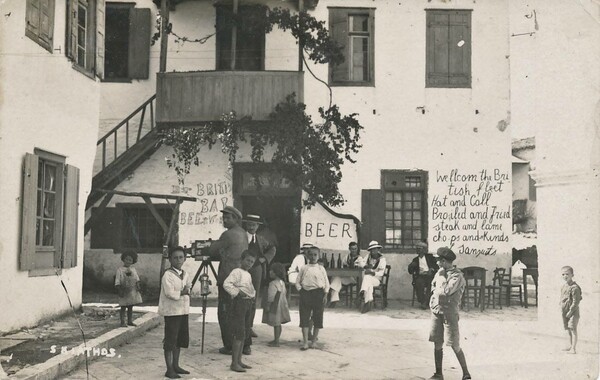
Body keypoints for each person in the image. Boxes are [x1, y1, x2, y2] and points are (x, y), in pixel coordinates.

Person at [204, 206, 248, 355]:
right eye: (224, 217)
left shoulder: (227, 235)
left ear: (236, 219)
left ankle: (229, 346)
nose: (225, 220)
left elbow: (211, 251)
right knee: (239, 313)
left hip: (228, 277)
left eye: (228, 218)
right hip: (240, 277)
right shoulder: (243, 233)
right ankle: (244, 345)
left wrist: (217, 248)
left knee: (225, 312)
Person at [428, 247, 471, 380]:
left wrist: (440, 280)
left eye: (438, 260)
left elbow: (445, 291)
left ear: (444, 261)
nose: (436, 263)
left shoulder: (457, 276)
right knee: (437, 342)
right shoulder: (440, 272)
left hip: (449, 313)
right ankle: (438, 374)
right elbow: (433, 287)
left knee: (454, 344)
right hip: (437, 311)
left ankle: (466, 374)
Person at [158, 246, 192, 379]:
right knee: (170, 340)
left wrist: (187, 289)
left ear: (184, 258)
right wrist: (183, 292)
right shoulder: (168, 275)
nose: (178, 260)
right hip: (172, 312)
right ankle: (169, 369)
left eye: (181, 257)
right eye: (175, 258)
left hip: (183, 310)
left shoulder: (185, 273)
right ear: (170, 259)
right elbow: (169, 293)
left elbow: (188, 285)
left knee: (179, 339)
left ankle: (176, 365)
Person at [243, 214, 277, 344]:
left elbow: (272, 249)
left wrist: (265, 258)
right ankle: (239, 326)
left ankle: (249, 327)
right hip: (243, 269)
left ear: (258, 226)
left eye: (254, 224)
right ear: (246, 225)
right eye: (249, 224)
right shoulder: (242, 237)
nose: (251, 227)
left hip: (256, 270)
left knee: (253, 298)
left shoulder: (261, 239)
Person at [223, 250, 257, 372]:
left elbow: (250, 288)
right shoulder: (236, 272)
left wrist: (252, 296)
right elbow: (226, 284)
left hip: (248, 303)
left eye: (252, 262)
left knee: (244, 333)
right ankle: (234, 363)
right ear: (242, 259)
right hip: (239, 305)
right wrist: (237, 293)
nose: (249, 263)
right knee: (238, 333)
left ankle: (239, 360)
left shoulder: (248, 274)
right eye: (247, 260)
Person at [296, 246, 330, 350]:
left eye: (315, 254)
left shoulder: (321, 268)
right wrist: (301, 291)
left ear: (318, 256)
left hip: (318, 294)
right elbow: (297, 282)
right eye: (310, 254)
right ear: (307, 255)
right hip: (306, 293)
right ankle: (305, 342)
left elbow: (326, 283)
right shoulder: (304, 268)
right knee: (304, 318)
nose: (313, 256)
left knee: (318, 318)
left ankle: (314, 341)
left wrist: (325, 294)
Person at [262, 262, 291, 347]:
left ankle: (276, 341)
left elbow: (271, 296)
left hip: (275, 305)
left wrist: (267, 305)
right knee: (278, 323)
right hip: (282, 304)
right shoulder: (282, 282)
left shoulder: (273, 283)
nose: (270, 272)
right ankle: (276, 339)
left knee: (276, 323)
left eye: (272, 271)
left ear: (276, 273)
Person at [329, 242, 363, 308]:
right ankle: (334, 300)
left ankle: (333, 299)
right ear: (349, 249)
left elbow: (362, 266)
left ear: (357, 249)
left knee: (336, 280)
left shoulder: (360, 258)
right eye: (352, 249)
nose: (354, 250)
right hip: (346, 277)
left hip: (354, 279)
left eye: (355, 249)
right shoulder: (346, 257)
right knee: (336, 278)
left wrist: (356, 265)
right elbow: (342, 266)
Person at [115, 250, 143, 327]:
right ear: (123, 259)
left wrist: (138, 286)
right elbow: (117, 280)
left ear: (133, 261)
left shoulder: (133, 269)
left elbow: (137, 279)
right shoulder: (120, 270)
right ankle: (122, 322)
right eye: (126, 259)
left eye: (130, 260)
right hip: (123, 290)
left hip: (132, 290)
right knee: (123, 306)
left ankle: (130, 321)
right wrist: (119, 289)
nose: (128, 261)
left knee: (130, 306)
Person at [408, 241, 439, 309]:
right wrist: (411, 266)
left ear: (424, 250)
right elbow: (410, 271)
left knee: (431, 284)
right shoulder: (415, 260)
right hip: (420, 276)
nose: (418, 250)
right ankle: (423, 301)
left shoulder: (430, 257)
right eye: (417, 248)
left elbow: (437, 266)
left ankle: (426, 301)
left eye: (420, 248)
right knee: (418, 283)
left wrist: (432, 269)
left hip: (430, 275)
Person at [358, 241, 387, 314]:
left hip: (377, 280)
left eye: (375, 249)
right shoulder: (368, 256)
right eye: (372, 249)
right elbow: (361, 262)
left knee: (367, 277)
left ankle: (362, 292)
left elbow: (381, 273)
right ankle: (368, 301)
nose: (373, 251)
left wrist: (372, 272)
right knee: (368, 282)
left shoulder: (382, 259)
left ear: (378, 249)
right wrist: (365, 266)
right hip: (369, 281)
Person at [560, 265, 582, 354]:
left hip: (573, 311)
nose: (565, 276)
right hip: (564, 310)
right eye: (563, 274)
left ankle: (573, 348)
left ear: (572, 275)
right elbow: (562, 298)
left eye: (567, 274)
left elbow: (576, 302)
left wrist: (570, 311)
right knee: (567, 328)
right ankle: (569, 345)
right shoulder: (563, 286)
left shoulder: (575, 287)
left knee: (573, 329)